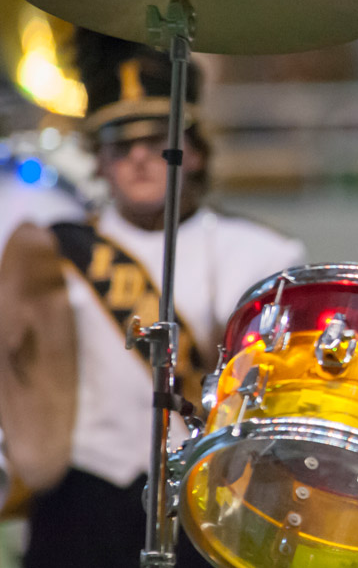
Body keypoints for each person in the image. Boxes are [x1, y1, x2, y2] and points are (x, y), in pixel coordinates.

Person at [0, 29, 305, 568]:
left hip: (204, 501)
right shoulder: (51, 251)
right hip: (80, 499)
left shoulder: (263, 254)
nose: (141, 158)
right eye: (120, 145)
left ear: (196, 152)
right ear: (99, 159)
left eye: (158, 141)